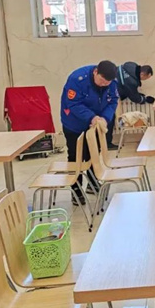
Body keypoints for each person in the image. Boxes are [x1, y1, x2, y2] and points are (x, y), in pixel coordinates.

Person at [60, 61, 118, 205]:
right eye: (102, 80)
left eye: (107, 83)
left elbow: (113, 101)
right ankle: (76, 189)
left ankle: (92, 182)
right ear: (95, 72)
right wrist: (91, 117)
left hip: (97, 123)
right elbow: (73, 104)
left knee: (94, 152)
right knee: (76, 156)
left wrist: (105, 118)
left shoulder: (112, 82)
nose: (104, 84)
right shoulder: (77, 79)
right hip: (74, 123)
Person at [106, 62, 154, 149]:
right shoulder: (132, 82)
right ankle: (107, 144)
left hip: (104, 90)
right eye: (146, 78)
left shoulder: (130, 65)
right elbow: (134, 97)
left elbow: (127, 88)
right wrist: (145, 99)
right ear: (142, 74)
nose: (145, 80)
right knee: (110, 118)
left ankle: (104, 143)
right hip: (108, 96)